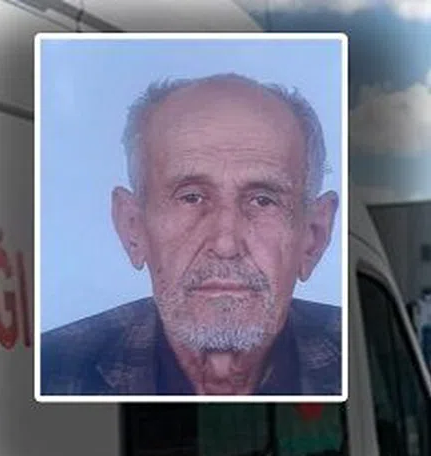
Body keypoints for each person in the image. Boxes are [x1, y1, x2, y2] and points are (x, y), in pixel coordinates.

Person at [40, 73, 342, 396]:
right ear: (133, 228)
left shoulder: (363, 349)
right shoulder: (52, 368)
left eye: (263, 200)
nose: (225, 245)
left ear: (313, 236)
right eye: (191, 197)